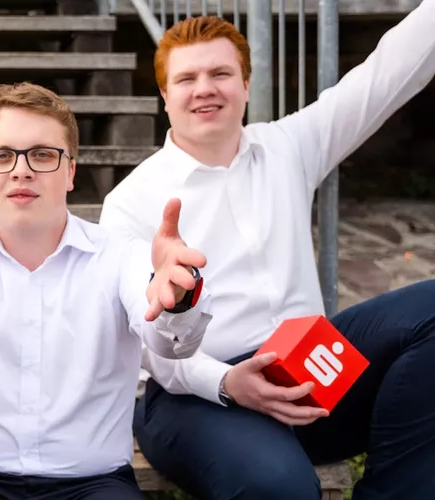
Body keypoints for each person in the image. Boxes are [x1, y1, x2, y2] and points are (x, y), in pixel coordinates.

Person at [99, 7, 435, 498]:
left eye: (220, 73)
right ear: (165, 96)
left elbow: (387, 72)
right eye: (187, 78)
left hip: (310, 372)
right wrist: (229, 380)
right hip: (198, 396)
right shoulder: (130, 202)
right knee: (281, 487)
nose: (204, 88)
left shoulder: (288, 146)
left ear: (246, 84)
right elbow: (150, 345)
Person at [0, 82, 215, 500]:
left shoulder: (121, 255)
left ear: (71, 171)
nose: (21, 170)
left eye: (42, 154)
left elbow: (170, 341)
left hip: (92, 485)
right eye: (1, 156)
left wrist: (178, 298)